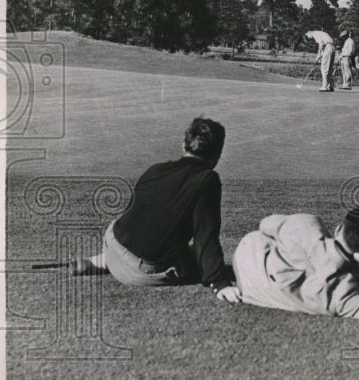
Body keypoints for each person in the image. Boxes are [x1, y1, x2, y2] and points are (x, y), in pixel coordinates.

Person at [70, 117, 242, 303]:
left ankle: (103, 260)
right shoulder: (208, 180)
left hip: (112, 242)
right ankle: (111, 263)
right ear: (218, 153)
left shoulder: (156, 169)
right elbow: (205, 236)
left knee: (155, 240)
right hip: (137, 272)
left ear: (183, 146)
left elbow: (134, 217)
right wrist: (219, 283)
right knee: (192, 260)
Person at [232, 208, 359, 320]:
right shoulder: (343, 293)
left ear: (339, 229)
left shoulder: (307, 224)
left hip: (247, 260)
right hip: (255, 291)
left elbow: (264, 224)